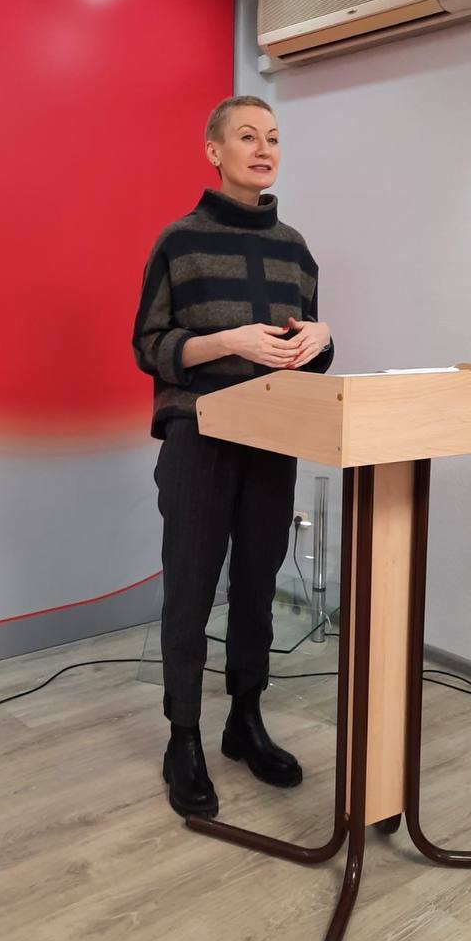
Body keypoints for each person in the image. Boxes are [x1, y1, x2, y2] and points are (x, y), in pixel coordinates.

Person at [132, 95, 334, 819]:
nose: (264, 148)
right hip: (200, 436)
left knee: (257, 586)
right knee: (190, 589)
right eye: (247, 136)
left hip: (272, 436)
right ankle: (182, 737)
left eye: (273, 137)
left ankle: (244, 720)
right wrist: (226, 342)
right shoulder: (178, 243)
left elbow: (301, 349)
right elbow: (148, 345)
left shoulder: (296, 249)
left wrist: (322, 341)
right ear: (213, 151)